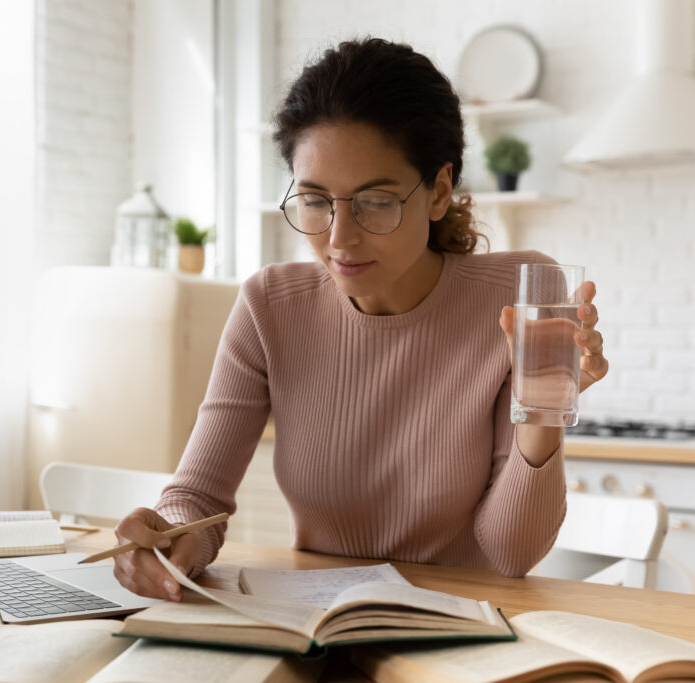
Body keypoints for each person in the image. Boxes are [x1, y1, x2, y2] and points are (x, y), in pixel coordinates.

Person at [113, 38, 608, 601]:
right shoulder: (270, 306)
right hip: (317, 627)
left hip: (465, 631)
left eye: (375, 201)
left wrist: (541, 406)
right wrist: (167, 538)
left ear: (439, 190)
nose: (339, 238)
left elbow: (511, 553)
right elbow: (197, 499)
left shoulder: (520, 297)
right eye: (315, 200)